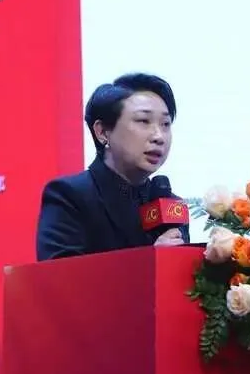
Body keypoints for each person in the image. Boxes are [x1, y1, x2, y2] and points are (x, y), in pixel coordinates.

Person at [36, 73, 183, 260]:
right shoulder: (69, 196)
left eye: (165, 124)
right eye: (143, 121)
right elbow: (60, 275)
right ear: (103, 132)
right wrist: (151, 261)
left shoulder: (171, 205)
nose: (158, 136)